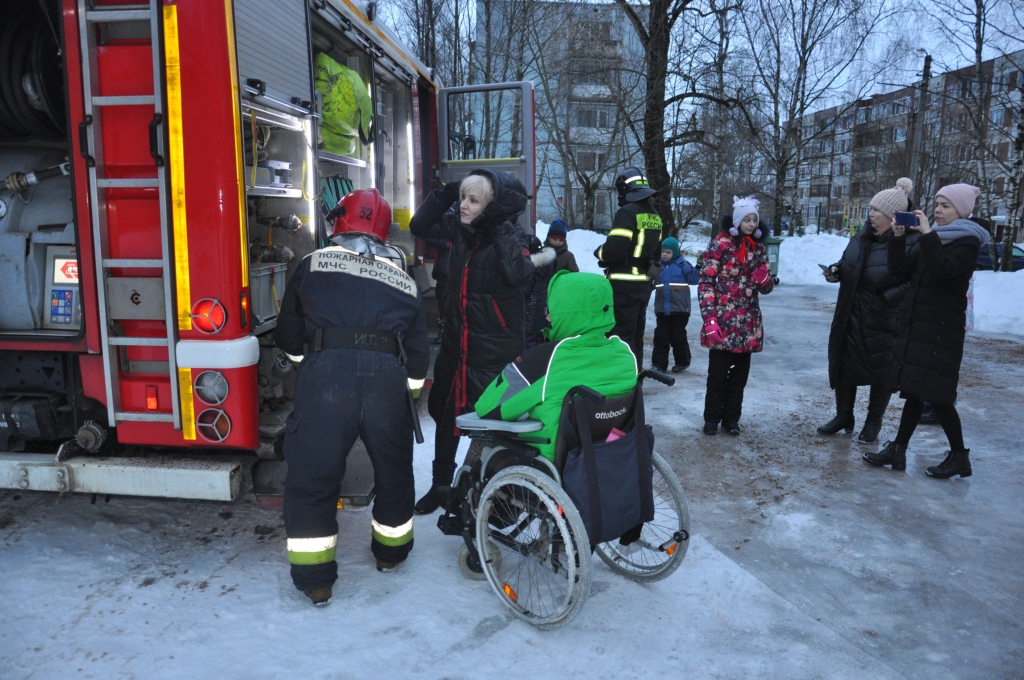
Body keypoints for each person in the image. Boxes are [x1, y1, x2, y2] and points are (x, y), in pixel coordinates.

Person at [274, 188, 429, 607]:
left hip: (326, 375)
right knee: (394, 472)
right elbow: (418, 352)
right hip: (386, 378)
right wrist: (407, 394)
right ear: (384, 230)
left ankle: (316, 581)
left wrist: (310, 365)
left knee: (313, 477)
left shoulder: (313, 263)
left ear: (340, 221)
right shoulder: (404, 279)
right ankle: (391, 555)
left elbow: (289, 333)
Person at [409, 170, 535, 514]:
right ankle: (440, 487)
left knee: (490, 428)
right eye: (463, 198)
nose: (463, 205)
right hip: (457, 348)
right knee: (447, 418)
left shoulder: (514, 237)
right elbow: (419, 225)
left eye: (473, 200)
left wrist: (499, 225)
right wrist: (446, 193)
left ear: (493, 207)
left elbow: (518, 275)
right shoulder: (461, 228)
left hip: (494, 354)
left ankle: (475, 492)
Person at [864, 184, 989, 478]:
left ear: (962, 211)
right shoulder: (934, 237)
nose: (937, 210)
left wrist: (927, 235)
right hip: (920, 327)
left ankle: (959, 457)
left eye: (945, 205)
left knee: (940, 397)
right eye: (937, 204)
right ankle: (898, 450)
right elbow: (900, 270)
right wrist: (897, 238)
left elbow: (943, 270)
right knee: (915, 393)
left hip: (941, 331)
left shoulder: (968, 241)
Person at [474, 271, 638, 462]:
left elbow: (487, 408)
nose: (548, 317)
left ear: (566, 311)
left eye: (551, 309)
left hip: (554, 461)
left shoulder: (545, 358)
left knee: (482, 438)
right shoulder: (624, 354)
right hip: (609, 456)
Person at [818, 178, 917, 444]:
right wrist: (836, 270)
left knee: (881, 371)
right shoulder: (862, 237)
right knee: (844, 364)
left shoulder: (910, 241)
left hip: (883, 318)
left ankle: (873, 422)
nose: (871, 214)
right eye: (871, 209)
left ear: (893, 216)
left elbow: (914, 281)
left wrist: (887, 298)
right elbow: (847, 261)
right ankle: (843, 416)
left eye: (877, 211)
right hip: (850, 313)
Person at [698, 196, 774, 436]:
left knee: (739, 376)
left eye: (754, 220)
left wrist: (765, 280)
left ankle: (731, 419)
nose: (751, 224)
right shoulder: (720, 244)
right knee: (717, 374)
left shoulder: (758, 248)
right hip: (723, 319)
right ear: (737, 220)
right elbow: (706, 282)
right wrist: (710, 319)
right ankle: (711, 419)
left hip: (748, 323)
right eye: (747, 220)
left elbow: (766, 287)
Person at [595, 167, 663, 370]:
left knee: (620, 336)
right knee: (636, 335)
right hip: (643, 285)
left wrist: (600, 253)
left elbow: (616, 247)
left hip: (623, 285)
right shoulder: (654, 215)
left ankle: (621, 379)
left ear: (625, 189)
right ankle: (635, 376)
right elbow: (657, 253)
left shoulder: (626, 212)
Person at [651, 236, 699, 373]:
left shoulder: (683, 265)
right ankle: (659, 365)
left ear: (675, 252)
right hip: (662, 309)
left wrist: (698, 268)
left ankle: (682, 362)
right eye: (663, 251)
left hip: (680, 309)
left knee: (677, 336)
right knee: (661, 336)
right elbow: (649, 282)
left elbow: (693, 279)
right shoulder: (657, 266)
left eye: (668, 252)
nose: (665, 254)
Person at [522, 235, 557, 348]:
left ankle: (531, 358)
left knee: (528, 342)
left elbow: (524, 291)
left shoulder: (530, 270)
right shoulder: (545, 266)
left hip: (529, 314)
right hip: (539, 312)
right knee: (536, 339)